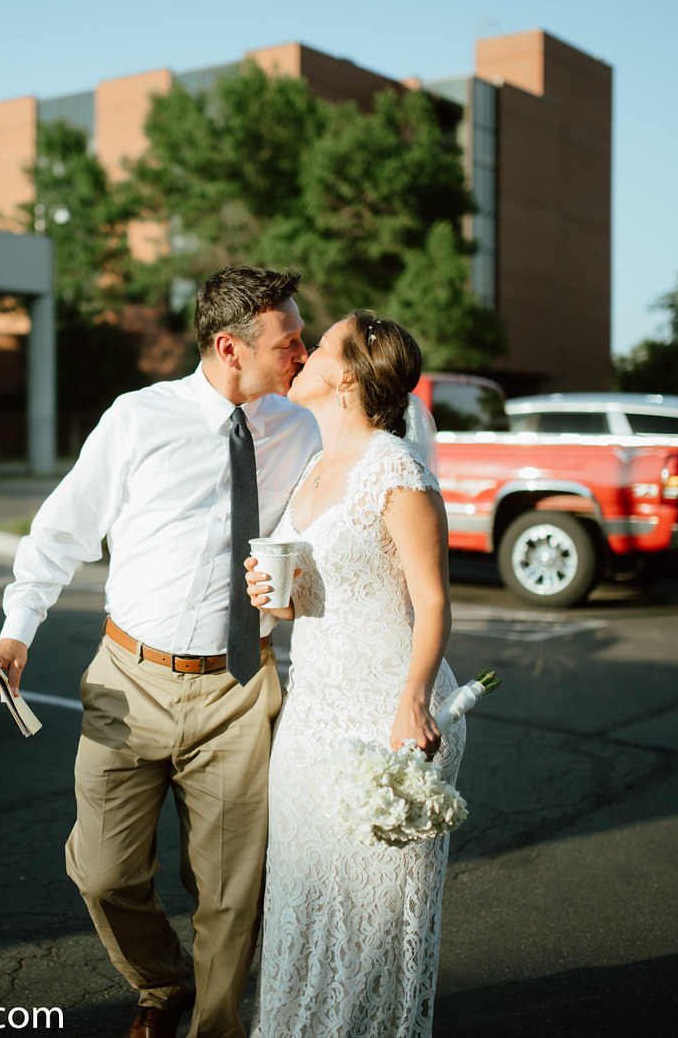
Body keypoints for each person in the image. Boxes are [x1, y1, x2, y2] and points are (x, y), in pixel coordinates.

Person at [0, 266, 320, 1038]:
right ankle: (160, 981)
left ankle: (215, 1027)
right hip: (129, 682)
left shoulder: (303, 427)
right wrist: (16, 629)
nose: (300, 351)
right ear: (231, 347)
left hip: (240, 687)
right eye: (287, 340)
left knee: (232, 892)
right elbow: (64, 528)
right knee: (102, 873)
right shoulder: (138, 420)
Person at [244, 310, 464, 1038]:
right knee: (304, 904)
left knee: (368, 928)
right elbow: (318, 592)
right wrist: (274, 597)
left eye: (320, 347)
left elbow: (431, 601)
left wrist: (414, 702)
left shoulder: (396, 472)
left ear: (345, 377)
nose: (300, 356)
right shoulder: (314, 464)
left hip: (383, 714)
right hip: (311, 716)